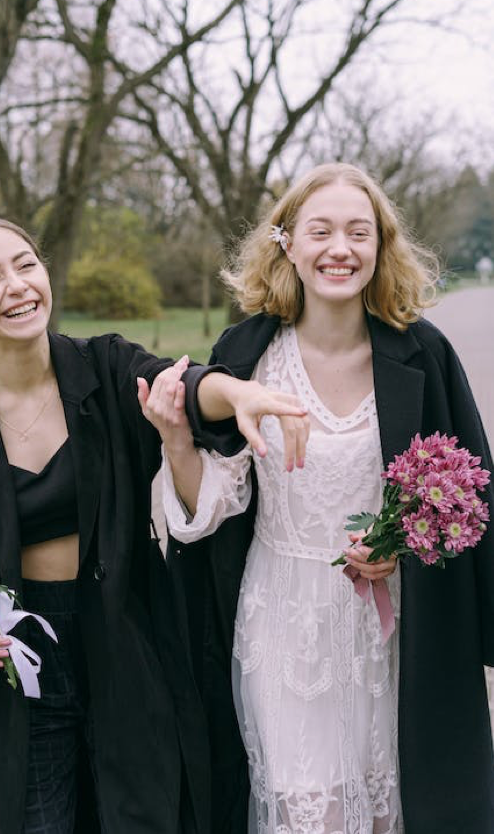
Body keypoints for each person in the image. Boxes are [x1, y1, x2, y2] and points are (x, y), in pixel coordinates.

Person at [0, 217, 308, 834]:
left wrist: (235, 395)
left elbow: (181, 385)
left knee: (139, 815)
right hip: (21, 658)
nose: (17, 286)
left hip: (125, 634)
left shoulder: (103, 367)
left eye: (26, 265)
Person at [140, 164, 494, 834]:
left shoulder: (422, 353)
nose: (341, 248)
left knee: (396, 810)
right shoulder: (246, 354)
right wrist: (177, 445)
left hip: (392, 639)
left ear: (379, 247)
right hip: (282, 625)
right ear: (287, 244)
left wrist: (402, 548)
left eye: (359, 232)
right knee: (314, 817)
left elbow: (465, 498)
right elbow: (216, 504)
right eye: (321, 231)